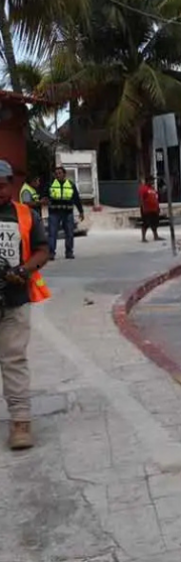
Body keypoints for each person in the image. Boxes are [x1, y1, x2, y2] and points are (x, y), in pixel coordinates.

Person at [0, 160, 52, 450]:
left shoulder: (25, 214)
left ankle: (20, 422)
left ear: (11, 183)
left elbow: (43, 250)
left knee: (13, 360)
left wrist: (24, 270)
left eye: (2, 184)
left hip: (14, 299)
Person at [48, 166, 85, 259]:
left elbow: (76, 199)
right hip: (54, 213)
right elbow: (44, 196)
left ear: (64, 174)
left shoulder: (71, 185)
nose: (58, 175)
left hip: (67, 213)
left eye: (60, 173)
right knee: (52, 233)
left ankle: (69, 252)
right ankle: (51, 253)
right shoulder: (50, 185)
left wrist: (81, 211)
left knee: (69, 233)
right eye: (56, 173)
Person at [138, 176, 162, 243]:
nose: (152, 182)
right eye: (151, 180)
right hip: (146, 209)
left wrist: (158, 207)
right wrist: (143, 207)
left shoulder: (153, 189)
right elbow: (141, 199)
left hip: (154, 209)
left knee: (155, 223)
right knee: (146, 223)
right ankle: (143, 238)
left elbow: (156, 199)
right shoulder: (143, 189)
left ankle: (156, 236)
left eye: (153, 180)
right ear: (147, 181)